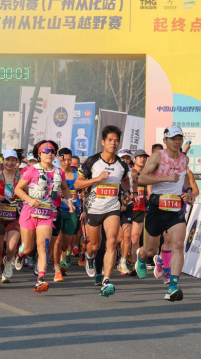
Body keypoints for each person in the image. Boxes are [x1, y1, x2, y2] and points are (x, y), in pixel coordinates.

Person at [75, 126, 134, 297]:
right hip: (94, 208)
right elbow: (78, 183)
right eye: (110, 140)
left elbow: (125, 180)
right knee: (94, 245)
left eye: (116, 140)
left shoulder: (122, 164)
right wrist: (97, 179)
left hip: (112, 208)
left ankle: (107, 280)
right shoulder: (92, 161)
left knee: (112, 242)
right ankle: (90, 257)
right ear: (103, 142)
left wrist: (127, 192)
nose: (113, 143)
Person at [136, 125, 193, 301]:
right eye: (173, 139)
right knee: (151, 250)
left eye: (179, 138)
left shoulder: (184, 159)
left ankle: (173, 286)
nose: (177, 142)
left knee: (178, 244)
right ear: (165, 140)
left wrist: (189, 191)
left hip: (176, 207)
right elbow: (142, 178)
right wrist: (165, 178)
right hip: (157, 206)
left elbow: (183, 178)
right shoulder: (158, 156)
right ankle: (141, 255)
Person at [15, 140, 74, 293]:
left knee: (43, 246)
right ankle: (20, 254)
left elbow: (65, 188)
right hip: (29, 212)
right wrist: (30, 200)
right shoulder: (31, 170)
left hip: (47, 214)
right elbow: (18, 189)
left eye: (52, 151)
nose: (49, 154)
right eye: (46, 151)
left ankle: (40, 279)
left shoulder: (58, 172)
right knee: (28, 248)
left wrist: (69, 201)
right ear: (39, 154)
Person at [0, 149, 22, 288]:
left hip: (15, 215)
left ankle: (8, 261)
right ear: (3, 161)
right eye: (7, 160)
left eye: (13, 160)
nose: (10, 163)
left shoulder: (22, 178)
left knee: (12, 245)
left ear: (17, 162)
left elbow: (28, 194)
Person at [53, 147, 81, 282]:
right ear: (59, 159)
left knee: (65, 245)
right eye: (64, 160)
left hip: (72, 211)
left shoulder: (77, 175)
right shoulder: (55, 173)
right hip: (57, 210)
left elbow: (84, 191)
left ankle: (63, 258)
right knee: (57, 240)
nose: (67, 162)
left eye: (69, 160)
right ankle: (58, 267)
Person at [128, 149, 149, 274]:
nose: (142, 159)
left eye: (144, 157)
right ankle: (123, 257)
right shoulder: (129, 172)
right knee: (122, 239)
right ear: (134, 159)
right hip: (127, 208)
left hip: (140, 209)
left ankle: (133, 264)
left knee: (135, 238)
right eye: (140, 157)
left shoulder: (148, 174)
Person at [116, 148, 135, 275]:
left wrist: (133, 195)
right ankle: (113, 256)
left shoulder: (133, 172)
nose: (125, 160)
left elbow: (135, 185)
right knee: (118, 238)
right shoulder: (114, 171)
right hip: (114, 207)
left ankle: (123, 262)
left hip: (128, 206)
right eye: (123, 158)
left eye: (128, 158)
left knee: (127, 236)